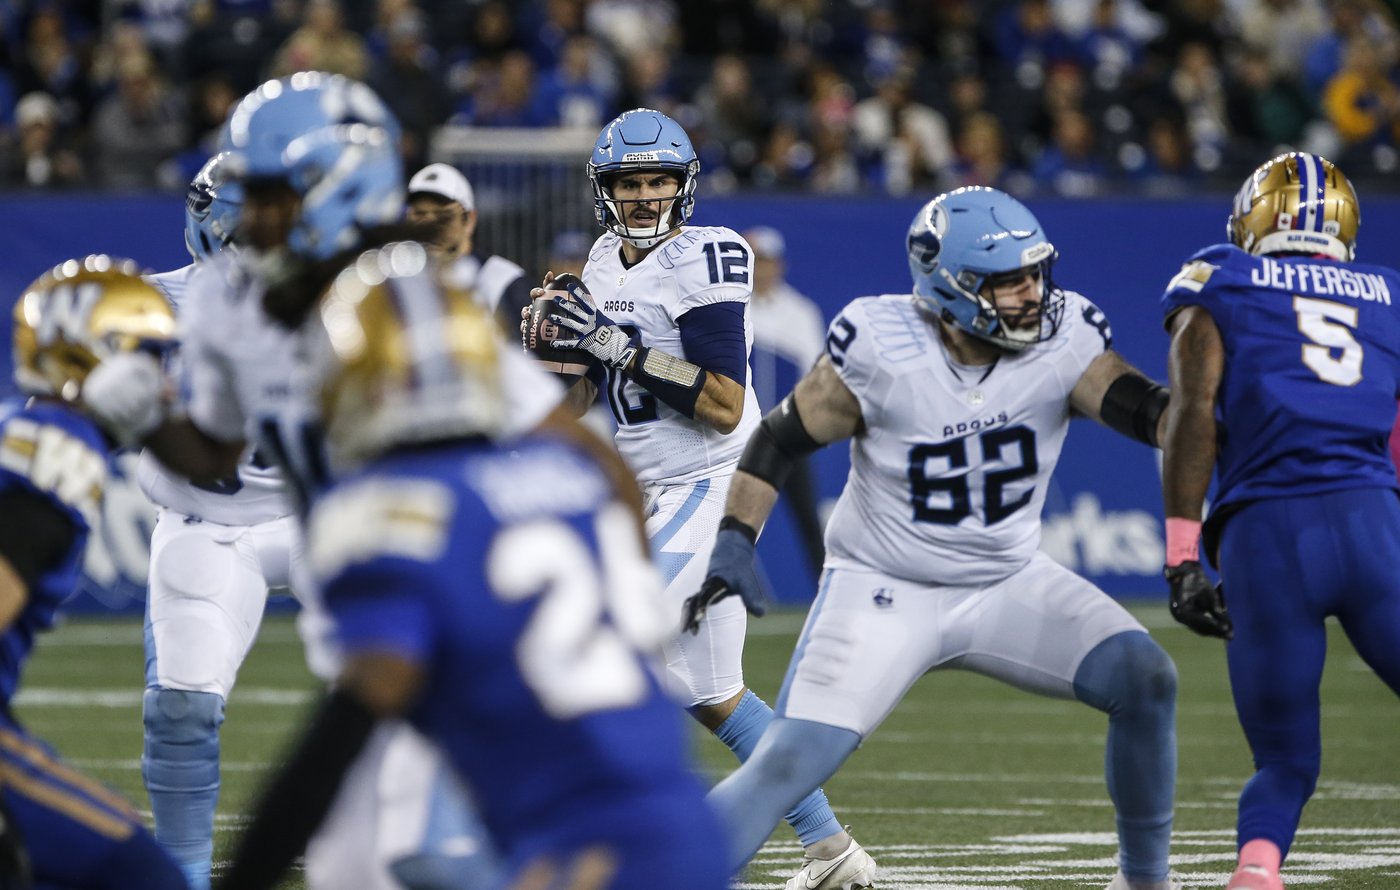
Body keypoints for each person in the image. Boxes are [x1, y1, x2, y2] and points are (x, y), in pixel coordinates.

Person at [685, 186, 1181, 890]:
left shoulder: (1067, 335)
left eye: (1034, 274)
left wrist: (1207, 413)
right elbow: (777, 440)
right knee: (789, 761)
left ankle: (1144, 882)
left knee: (1145, 676)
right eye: (1007, 281)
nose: (1030, 295)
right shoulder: (883, 345)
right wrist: (736, 536)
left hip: (1009, 579)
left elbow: (1146, 411)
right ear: (951, 286)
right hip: (883, 586)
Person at [218, 245, 728, 890]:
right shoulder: (569, 476)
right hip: (677, 824)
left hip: (584, 855)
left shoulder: (398, 514)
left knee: (416, 859)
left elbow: (343, 730)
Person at [531, 106, 875, 889]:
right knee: (709, 690)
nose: (646, 195)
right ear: (605, 190)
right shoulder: (602, 260)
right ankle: (834, 853)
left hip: (716, 475)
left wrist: (612, 343)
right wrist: (551, 372)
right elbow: (592, 392)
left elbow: (722, 401)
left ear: (682, 186)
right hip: (651, 487)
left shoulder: (710, 255)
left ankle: (608, 847)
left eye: (658, 180)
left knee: (606, 640)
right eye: (630, 181)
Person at [1159, 152, 1400, 890]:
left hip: (1267, 537)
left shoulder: (1221, 274)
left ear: (1254, 218)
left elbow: (1191, 416)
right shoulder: (1387, 291)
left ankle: (1258, 869)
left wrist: (1182, 556)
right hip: (1373, 524)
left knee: (1285, 762)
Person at [133, 153, 302, 890]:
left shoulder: (352, 300)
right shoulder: (149, 308)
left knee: (427, 683)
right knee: (180, 709)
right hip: (209, 524)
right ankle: (185, 877)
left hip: (325, 521)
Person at [2, 255, 185, 889]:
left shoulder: (22, 431)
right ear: (93, 352)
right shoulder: (58, 448)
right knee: (144, 874)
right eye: (148, 355)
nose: (164, 382)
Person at [744, 224, 828, 581]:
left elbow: (815, 375)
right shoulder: (730, 305)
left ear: (779, 265)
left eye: (767, 260)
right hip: (736, 433)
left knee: (808, 518)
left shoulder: (800, 312)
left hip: (786, 433)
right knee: (729, 523)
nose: (762, 269)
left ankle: (829, 599)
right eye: (755, 260)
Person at [404, 162, 534, 333]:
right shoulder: (396, 280)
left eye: (443, 217)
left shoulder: (504, 283)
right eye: (419, 216)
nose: (430, 227)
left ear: (469, 220)